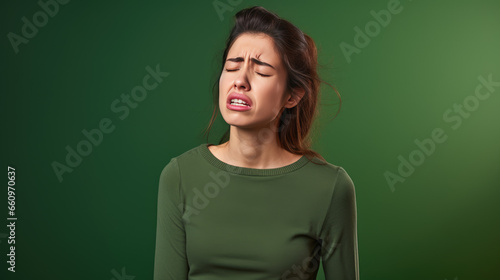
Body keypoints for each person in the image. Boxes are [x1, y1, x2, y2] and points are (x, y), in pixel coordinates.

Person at [153, 6, 359, 280]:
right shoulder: (179, 176)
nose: (240, 81)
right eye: (232, 67)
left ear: (293, 96)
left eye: (261, 72)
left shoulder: (331, 188)